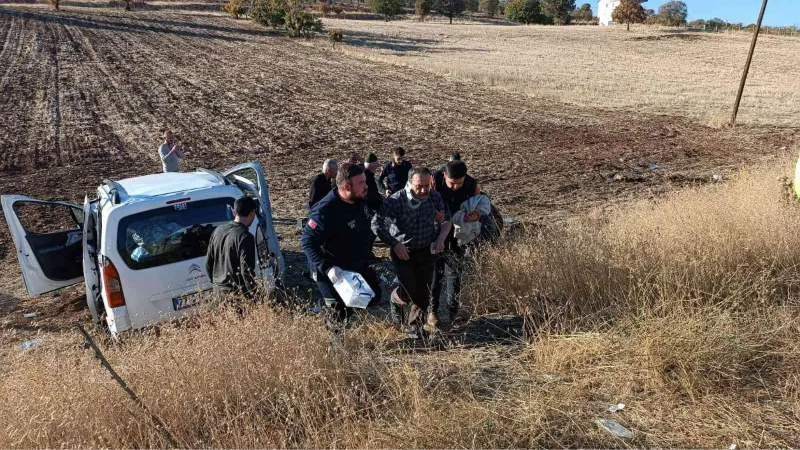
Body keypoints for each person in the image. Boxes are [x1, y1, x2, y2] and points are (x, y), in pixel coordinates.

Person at [372, 167, 451, 338]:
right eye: (418, 186)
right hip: (403, 252)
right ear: (409, 183)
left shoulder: (435, 197)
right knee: (408, 292)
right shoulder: (396, 201)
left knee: (424, 291)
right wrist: (394, 244)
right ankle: (396, 299)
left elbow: (446, 221)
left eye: (426, 186)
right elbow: (377, 224)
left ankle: (415, 327)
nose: (423, 190)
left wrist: (440, 239)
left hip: (427, 249)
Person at [301, 163, 382, 325]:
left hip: (353, 263)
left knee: (372, 296)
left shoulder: (360, 199)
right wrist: (327, 267)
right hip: (330, 269)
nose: (366, 186)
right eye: (361, 183)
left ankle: (338, 308)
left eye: (365, 182)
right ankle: (336, 343)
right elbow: (307, 241)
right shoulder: (325, 211)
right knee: (337, 315)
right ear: (347, 186)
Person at [430, 159, 482, 327]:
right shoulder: (434, 181)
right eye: (452, 183)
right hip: (435, 232)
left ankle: (453, 313)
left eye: (459, 183)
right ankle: (432, 312)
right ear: (444, 175)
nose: (456, 187)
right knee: (435, 273)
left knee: (454, 272)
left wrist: (476, 216)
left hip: (459, 233)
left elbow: (481, 205)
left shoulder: (471, 184)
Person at [205, 196, 258, 300]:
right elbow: (247, 271)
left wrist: (216, 284)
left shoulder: (218, 230)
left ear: (234, 212)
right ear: (252, 213)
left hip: (218, 292)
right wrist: (254, 297)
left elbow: (209, 263)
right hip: (237, 294)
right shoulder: (245, 237)